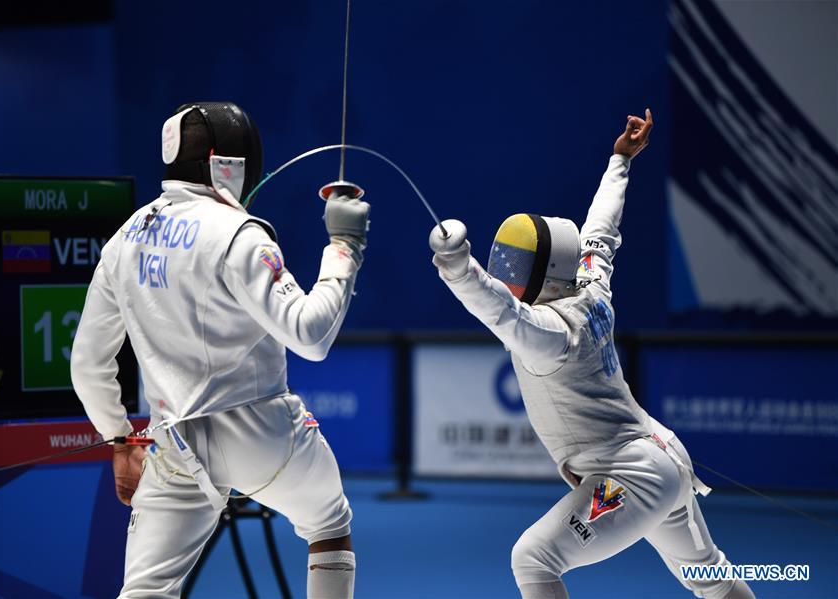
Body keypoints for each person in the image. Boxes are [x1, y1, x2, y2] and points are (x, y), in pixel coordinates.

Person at [428, 109, 754, 599]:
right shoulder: (589, 286)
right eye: (504, 265)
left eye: (517, 267)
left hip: (629, 476)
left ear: (548, 272)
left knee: (534, 557)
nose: (507, 277)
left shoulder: (552, 331)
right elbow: (601, 228)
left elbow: (500, 312)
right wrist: (620, 159)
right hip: (660, 456)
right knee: (709, 576)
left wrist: (458, 270)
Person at [71, 102, 368, 599]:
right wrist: (344, 246)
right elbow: (311, 336)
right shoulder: (239, 232)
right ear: (228, 165)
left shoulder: (125, 238)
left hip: (173, 445)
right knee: (329, 522)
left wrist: (119, 441)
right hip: (260, 430)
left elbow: (87, 363)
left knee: (144, 591)